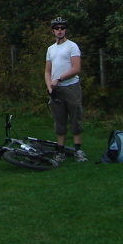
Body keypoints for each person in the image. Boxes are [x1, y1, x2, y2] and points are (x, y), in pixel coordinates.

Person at [44, 16, 88, 162]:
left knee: (75, 117)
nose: (60, 31)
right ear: (53, 31)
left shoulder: (72, 46)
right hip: (57, 90)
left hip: (71, 87)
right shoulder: (50, 49)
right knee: (59, 120)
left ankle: (78, 150)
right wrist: (49, 85)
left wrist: (59, 78)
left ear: (66, 30)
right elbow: (47, 71)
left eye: (62, 28)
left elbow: (76, 68)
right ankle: (60, 151)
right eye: (57, 28)